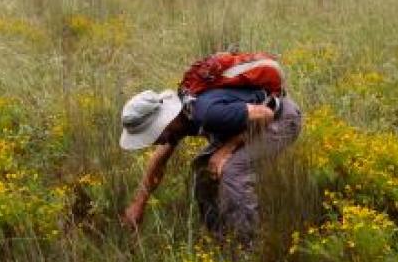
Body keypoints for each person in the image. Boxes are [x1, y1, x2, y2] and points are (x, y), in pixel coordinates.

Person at [119, 86, 302, 245]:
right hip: (248, 126)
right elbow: (159, 161)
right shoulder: (182, 117)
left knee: (232, 171)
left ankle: (247, 248)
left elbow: (266, 114)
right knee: (202, 169)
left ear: (163, 123)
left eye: (154, 135)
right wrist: (139, 204)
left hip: (281, 118)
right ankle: (221, 239)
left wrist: (226, 150)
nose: (157, 142)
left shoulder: (206, 112)